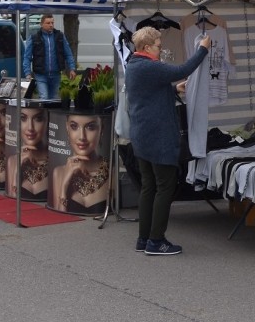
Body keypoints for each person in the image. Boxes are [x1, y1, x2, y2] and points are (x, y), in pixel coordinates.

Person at [126, 26, 210, 256]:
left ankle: (143, 238)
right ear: (146, 47)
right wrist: (202, 50)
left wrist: (173, 89)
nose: (160, 51)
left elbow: (148, 93)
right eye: (158, 47)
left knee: (148, 186)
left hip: (142, 136)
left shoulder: (134, 65)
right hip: (158, 137)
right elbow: (184, 69)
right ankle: (156, 241)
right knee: (165, 186)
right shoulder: (149, 66)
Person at [50, 113, 109, 214]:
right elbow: (59, 218)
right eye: (74, 126)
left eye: (90, 127)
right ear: (67, 129)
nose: (82, 137)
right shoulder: (59, 172)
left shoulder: (111, 172)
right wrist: (64, 186)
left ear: (101, 129)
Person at [22, 14, 77, 99]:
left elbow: (68, 53)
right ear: (41, 24)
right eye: (48, 23)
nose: (51, 25)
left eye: (52, 23)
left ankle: (50, 113)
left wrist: (72, 68)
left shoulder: (60, 36)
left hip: (56, 74)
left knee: (54, 98)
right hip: (41, 74)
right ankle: (44, 112)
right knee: (44, 97)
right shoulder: (34, 38)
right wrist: (28, 73)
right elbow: (27, 57)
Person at [5, 107, 49, 199]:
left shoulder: (55, 163)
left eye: (38, 119)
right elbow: (11, 200)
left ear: (47, 121)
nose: (30, 128)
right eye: (23, 118)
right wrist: (18, 167)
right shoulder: (12, 161)